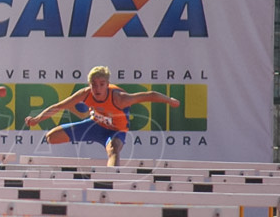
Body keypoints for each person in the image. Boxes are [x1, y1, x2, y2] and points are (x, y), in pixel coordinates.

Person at [23, 65, 180, 166]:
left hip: (116, 130)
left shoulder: (119, 98)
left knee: (114, 149)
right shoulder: (85, 94)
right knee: (51, 137)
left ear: (107, 84)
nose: (97, 88)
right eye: (94, 85)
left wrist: (170, 100)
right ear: (89, 84)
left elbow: (149, 95)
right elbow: (58, 106)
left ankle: (111, 181)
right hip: (95, 125)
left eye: (102, 84)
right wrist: (37, 119)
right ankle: (84, 118)